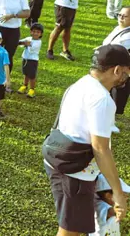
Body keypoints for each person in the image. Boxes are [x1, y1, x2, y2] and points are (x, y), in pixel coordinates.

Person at [44, 45, 130, 236]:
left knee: (81, 218)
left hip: (59, 158)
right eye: (126, 73)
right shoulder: (102, 99)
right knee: (70, 231)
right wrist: (117, 192)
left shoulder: (82, 83)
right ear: (117, 70)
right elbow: (100, 149)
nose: (126, 78)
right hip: (75, 173)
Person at [103, 7, 130, 116]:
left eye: (124, 16)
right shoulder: (118, 28)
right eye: (119, 15)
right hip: (111, 68)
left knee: (116, 100)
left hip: (121, 72)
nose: (121, 18)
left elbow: (115, 48)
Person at [17, 23, 43, 98]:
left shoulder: (38, 42)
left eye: (38, 32)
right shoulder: (28, 38)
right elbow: (20, 42)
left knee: (32, 75)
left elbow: (32, 49)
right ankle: (24, 86)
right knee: (25, 73)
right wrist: (22, 43)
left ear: (41, 34)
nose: (35, 33)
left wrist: (26, 44)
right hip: (25, 59)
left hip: (33, 61)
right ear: (31, 32)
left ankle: (32, 90)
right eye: (34, 31)